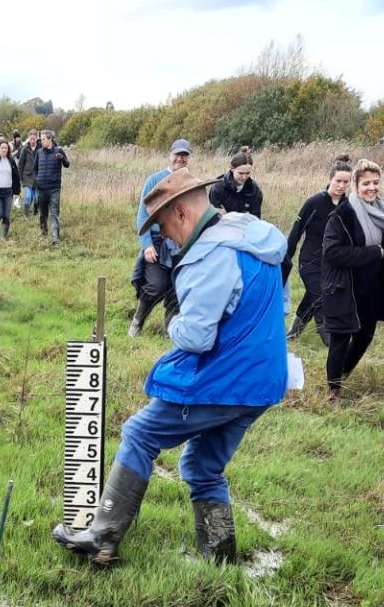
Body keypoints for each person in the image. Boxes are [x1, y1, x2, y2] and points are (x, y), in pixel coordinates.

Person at [52, 169, 288, 567]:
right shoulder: (254, 237)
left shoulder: (210, 255)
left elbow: (196, 337)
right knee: (202, 465)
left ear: (181, 213)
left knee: (140, 433)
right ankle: (220, 558)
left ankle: (103, 536)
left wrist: (172, 321)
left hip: (224, 380)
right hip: (264, 379)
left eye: (163, 227)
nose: (166, 239)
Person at [320, 158, 384, 400]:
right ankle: (333, 391)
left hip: (371, 288)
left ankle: (343, 375)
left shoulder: (382, 212)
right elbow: (332, 252)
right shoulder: (343, 215)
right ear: (355, 185)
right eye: (366, 183)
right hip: (344, 289)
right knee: (340, 339)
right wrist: (372, 253)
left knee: (365, 336)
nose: (372, 188)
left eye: (376, 183)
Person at [282, 155, 353, 344]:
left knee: (312, 297)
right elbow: (296, 233)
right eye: (338, 181)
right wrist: (285, 261)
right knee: (322, 298)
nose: (341, 185)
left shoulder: (349, 207)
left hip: (332, 265)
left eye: (346, 182)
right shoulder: (314, 203)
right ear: (330, 179)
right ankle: (331, 342)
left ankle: (291, 334)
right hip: (309, 262)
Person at [128, 139, 190, 336]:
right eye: (177, 155)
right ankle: (137, 321)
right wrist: (147, 245)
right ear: (170, 155)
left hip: (181, 243)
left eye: (184, 155)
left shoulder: (191, 183)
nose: (180, 159)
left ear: (188, 158)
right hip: (157, 241)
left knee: (177, 288)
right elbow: (142, 215)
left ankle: (169, 331)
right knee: (156, 286)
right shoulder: (155, 180)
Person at [34, 129, 70, 244]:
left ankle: (55, 237)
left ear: (50, 139)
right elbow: (35, 168)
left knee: (54, 213)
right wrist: (36, 180)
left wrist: (62, 158)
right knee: (43, 213)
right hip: (41, 188)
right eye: (41, 139)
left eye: (43, 139)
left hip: (54, 188)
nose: (41, 141)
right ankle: (43, 231)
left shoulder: (58, 151)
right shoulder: (39, 152)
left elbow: (67, 164)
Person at [208, 147, 263, 217]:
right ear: (232, 169)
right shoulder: (218, 187)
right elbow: (214, 216)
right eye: (241, 173)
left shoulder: (255, 190)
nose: (244, 177)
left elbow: (256, 218)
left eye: (248, 173)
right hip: (222, 225)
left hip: (245, 226)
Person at [17, 130, 40, 215]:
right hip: (27, 176)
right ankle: (26, 215)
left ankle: (36, 213)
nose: (32, 141)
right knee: (28, 196)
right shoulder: (25, 149)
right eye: (31, 139)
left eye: (34, 139)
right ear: (29, 139)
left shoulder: (40, 148)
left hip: (38, 176)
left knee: (37, 197)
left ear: (37, 138)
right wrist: (20, 178)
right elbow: (20, 164)